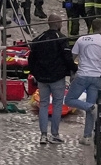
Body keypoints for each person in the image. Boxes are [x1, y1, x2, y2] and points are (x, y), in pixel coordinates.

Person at [64, 24, 101, 146]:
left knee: (69, 100)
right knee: (91, 107)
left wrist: (71, 71)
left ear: (92, 28)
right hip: (98, 78)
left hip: (83, 76)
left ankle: (90, 115)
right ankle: (87, 136)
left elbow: (72, 57)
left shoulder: (82, 39)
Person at [29, 12, 75, 144]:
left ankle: (43, 135)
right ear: (58, 24)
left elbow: (31, 59)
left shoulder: (39, 39)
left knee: (43, 105)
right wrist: (73, 69)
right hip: (57, 78)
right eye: (61, 22)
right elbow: (68, 58)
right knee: (57, 105)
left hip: (42, 78)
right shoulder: (61, 39)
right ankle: (54, 134)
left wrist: (35, 73)